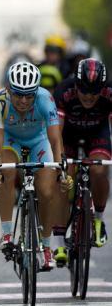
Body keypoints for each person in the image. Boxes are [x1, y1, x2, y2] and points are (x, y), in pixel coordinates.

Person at [0, 62, 71, 270]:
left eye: (29, 95)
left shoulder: (45, 99)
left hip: (38, 141)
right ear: (8, 89)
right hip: (10, 141)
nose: (24, 100)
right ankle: (7, 233)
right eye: (18, 95)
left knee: (46, 191)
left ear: (36, 92)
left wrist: (62, 169)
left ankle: (46, 246)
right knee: (6, 171)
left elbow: (55, 139)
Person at [51, 59, 110, 265]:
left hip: (97, 134)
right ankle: (59, 243)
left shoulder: (110, 91)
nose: (89, 97)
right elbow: (55, 131)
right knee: (62, 180)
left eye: (95, 93)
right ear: (76, 85)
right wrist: (59, 160)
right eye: (84, 92)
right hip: (68, 135)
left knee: (99, 171)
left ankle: (99, 221)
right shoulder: (63, 91)